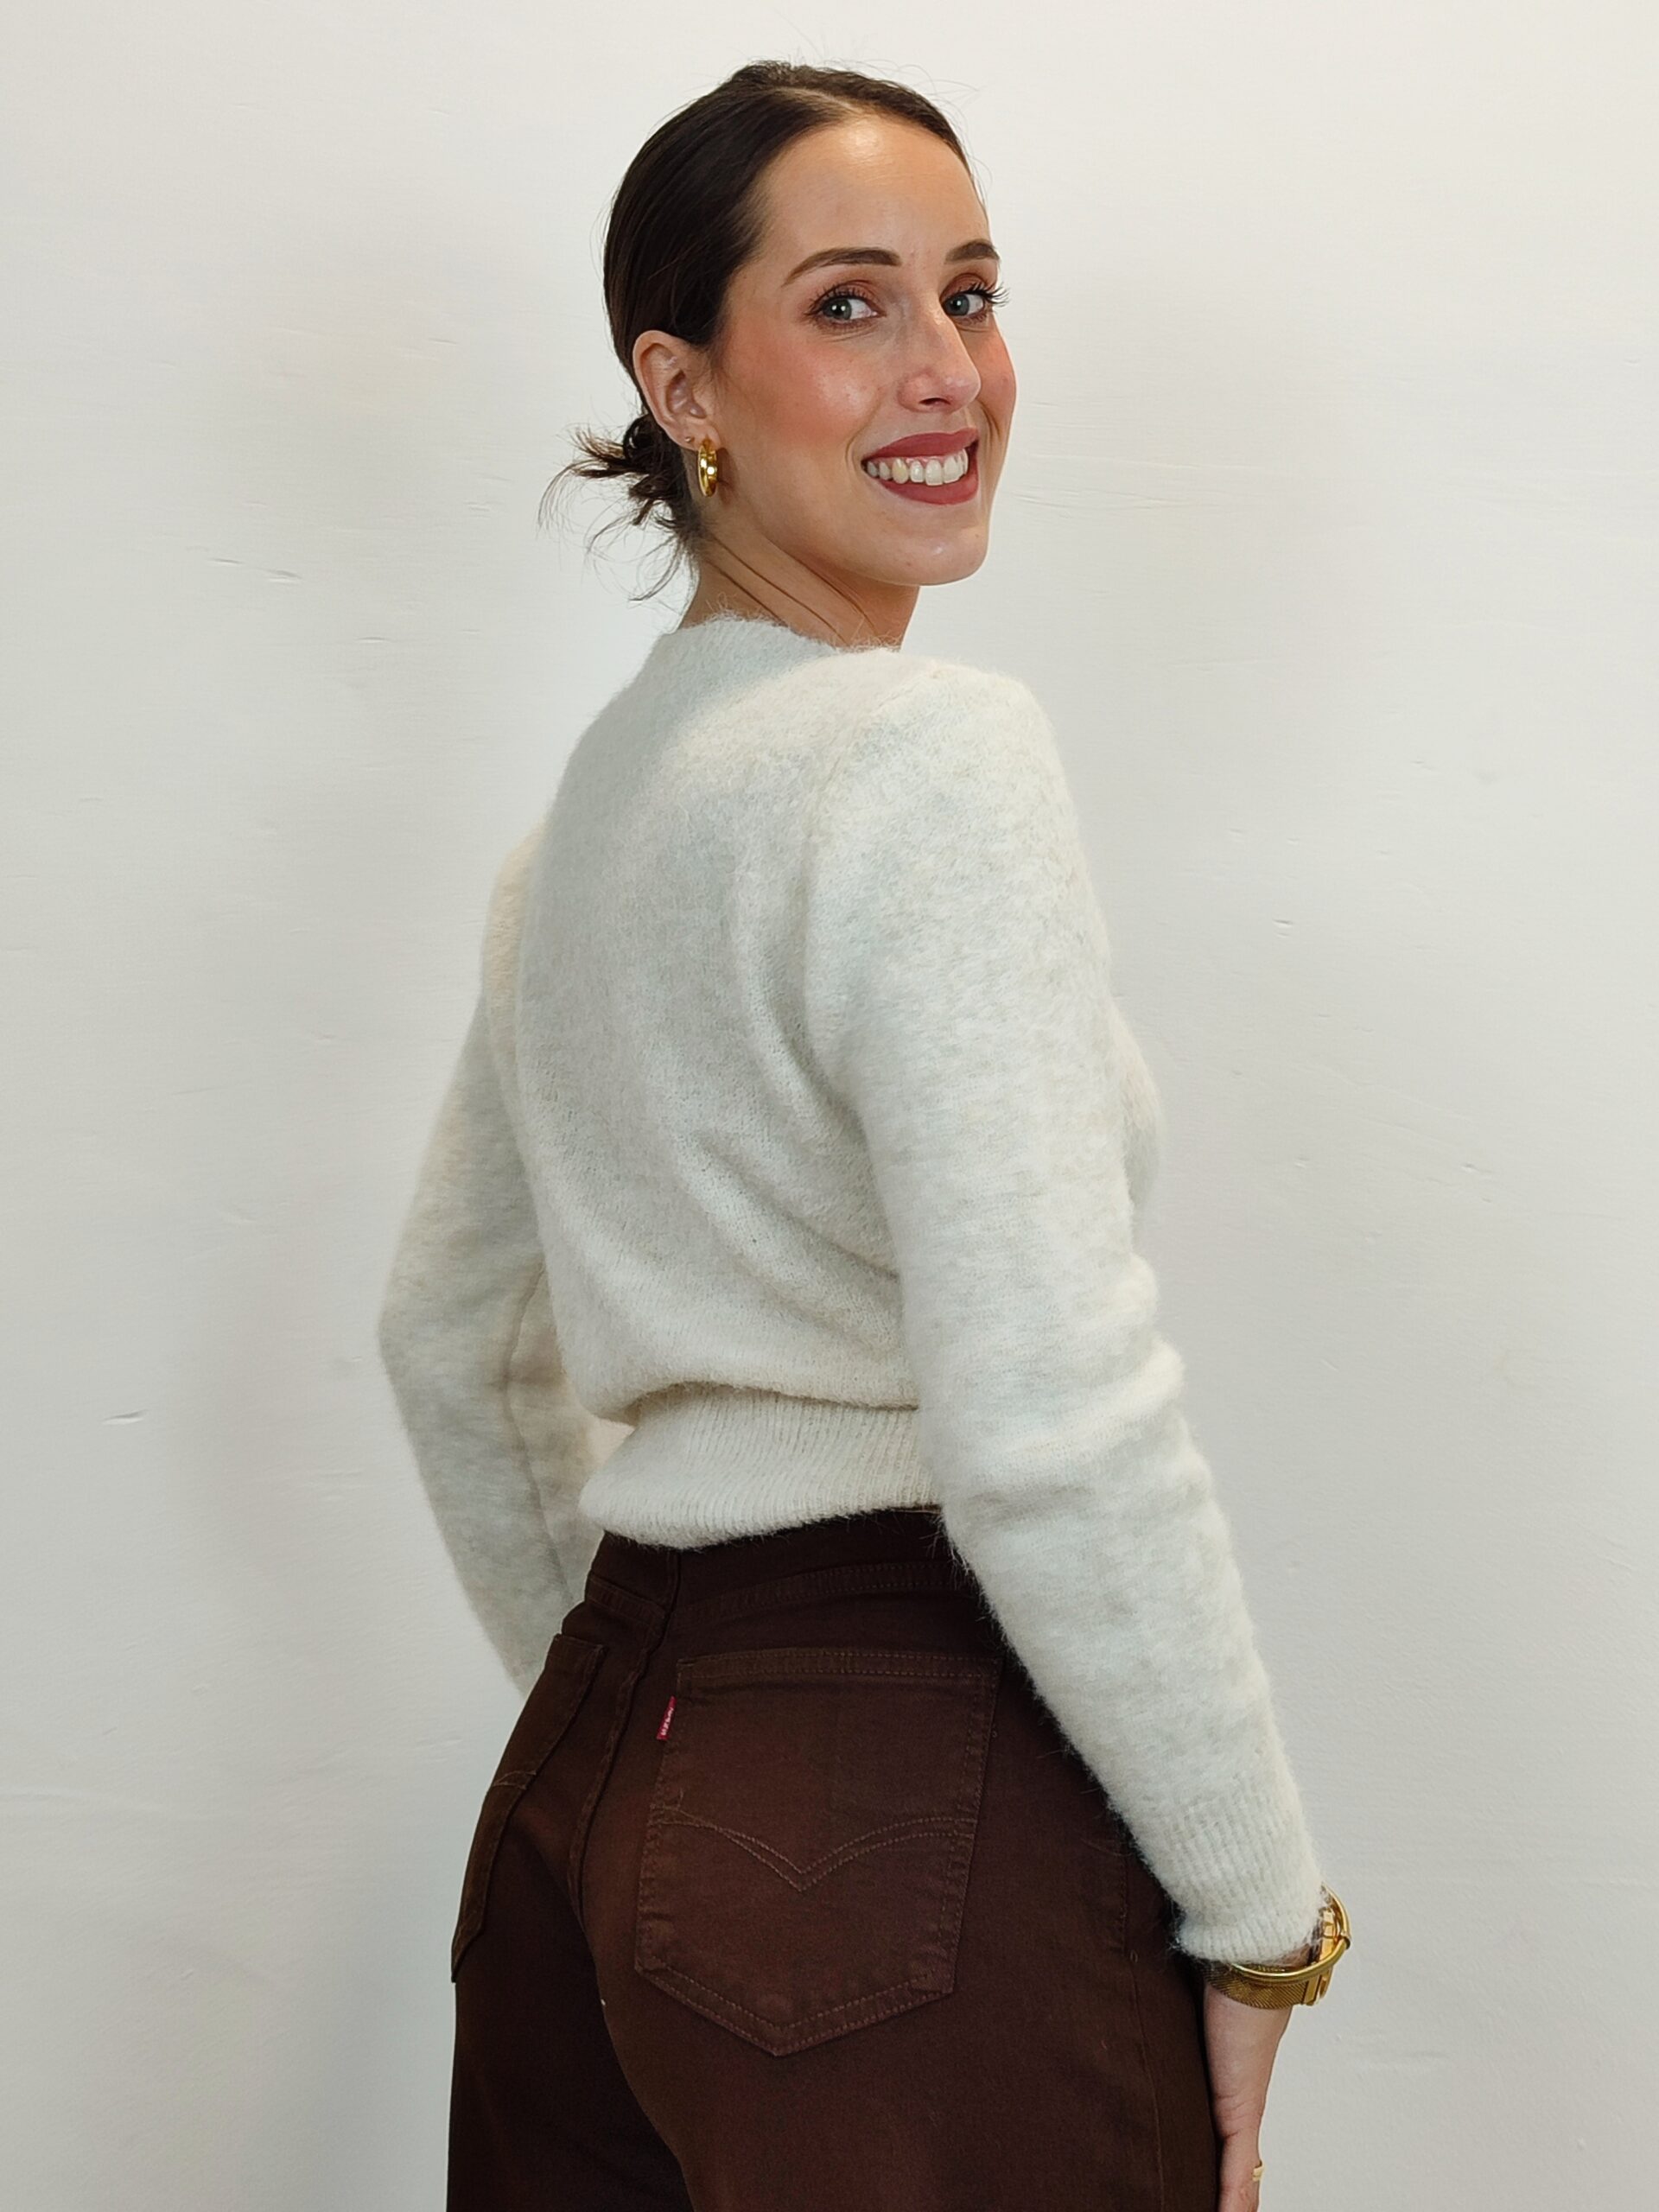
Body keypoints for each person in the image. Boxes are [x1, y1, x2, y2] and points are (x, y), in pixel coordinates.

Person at [377, 57, 1350, 2212]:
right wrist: (1262, 1906)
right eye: (849, 304)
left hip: (585, 1809)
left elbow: (450, 1345)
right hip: (903, 1801)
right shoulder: (924, 761)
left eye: (971, 294)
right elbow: (1053, 1412)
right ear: (681, 385)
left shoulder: (580, 839)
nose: (947, 373)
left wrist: (671, 1745)